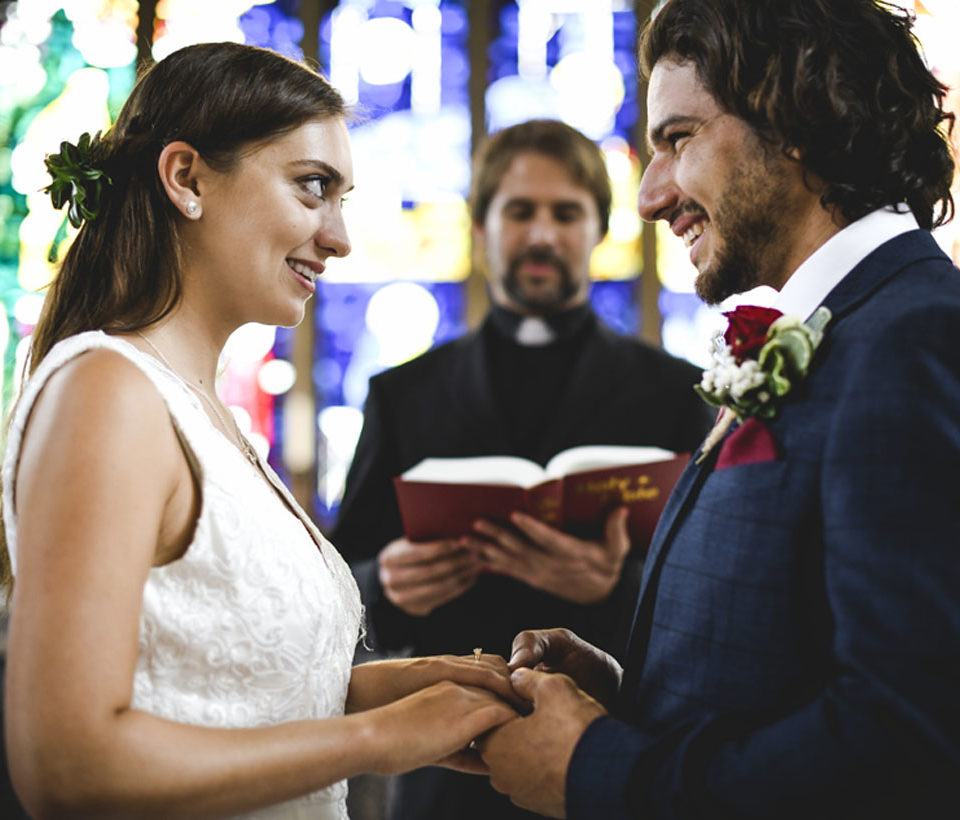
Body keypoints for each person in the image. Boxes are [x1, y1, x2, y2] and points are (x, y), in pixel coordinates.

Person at [0, 42, 521, 820]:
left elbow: (213, 682)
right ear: (187, 179)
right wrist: (376, 739)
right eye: (314, 188)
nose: (339, 236)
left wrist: (402, 687)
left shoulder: (199, 407)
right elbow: (68, 766)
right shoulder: (107, 390)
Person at [477, 1, 960, 818]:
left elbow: (906, 740)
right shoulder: (844, 327)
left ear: (800, 118)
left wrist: (596, 768)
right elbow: (798, 658)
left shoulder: (911, 340)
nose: (649, 195)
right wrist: (628, 694)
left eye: (677, 139)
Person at [333, 119, 714, 819]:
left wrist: (618, 585)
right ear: (480, 227)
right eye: (520, 211)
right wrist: (386, 586)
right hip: (445, 771)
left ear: (599, 229)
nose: (542, 235)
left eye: (565, 213)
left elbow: (713, 599)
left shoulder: (677, 395)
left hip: (611, 757)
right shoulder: (404, 394)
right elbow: (333, 580)